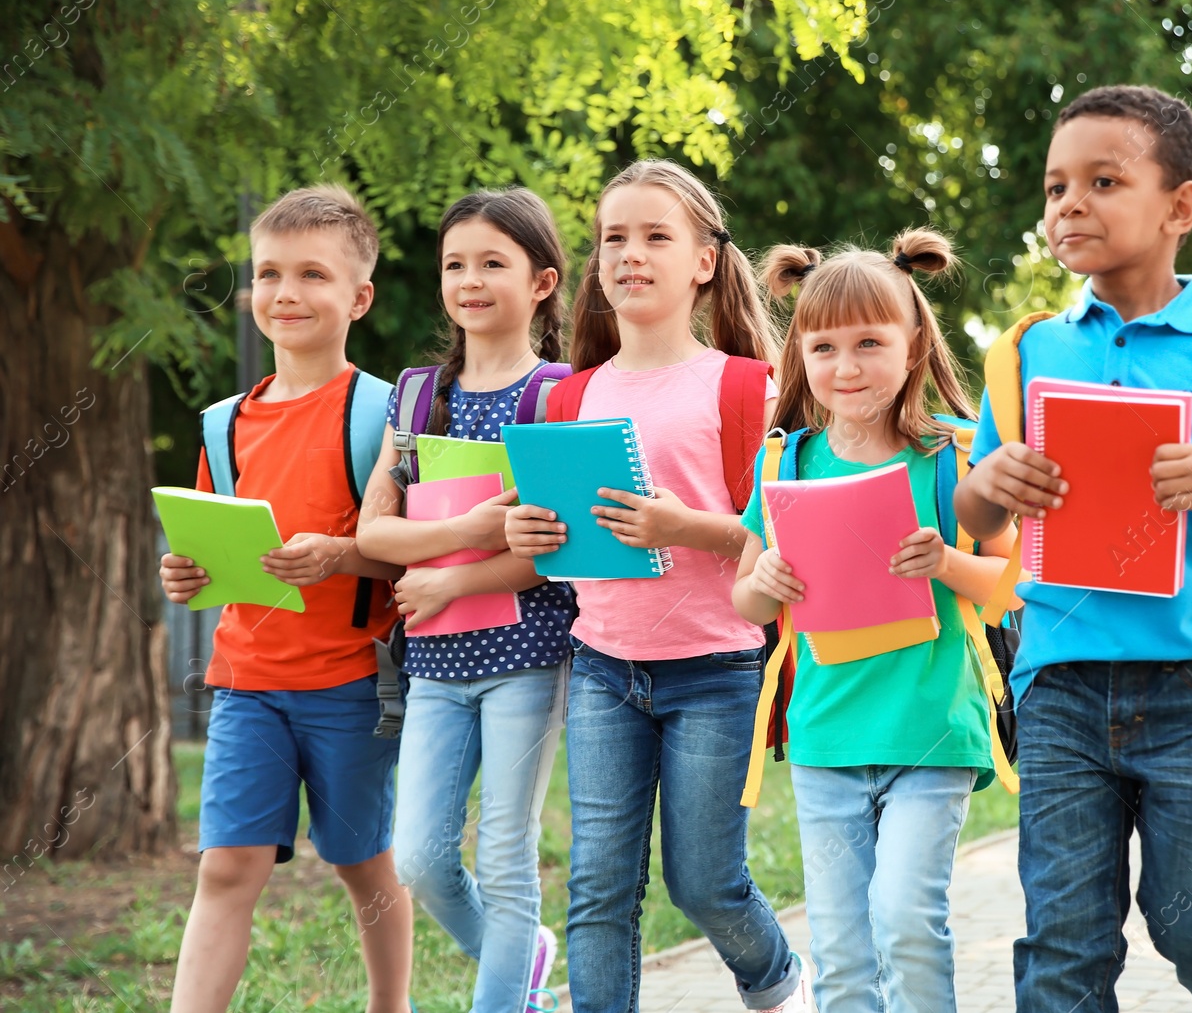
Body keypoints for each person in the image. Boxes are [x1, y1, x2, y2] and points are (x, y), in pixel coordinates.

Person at [954, 85, 1192, 1012]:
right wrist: (992, 483)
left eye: (1101, 181)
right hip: (1060, 685)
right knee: (1064, 944)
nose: (1067, 206)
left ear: (1181, 207)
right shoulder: (1028, 354)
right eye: (1054, 188)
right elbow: (976, 517)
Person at [504, 160, 808, 1013]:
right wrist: (535, 536)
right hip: (604, 665)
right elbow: (558, 552)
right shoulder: (569, 397)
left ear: (705, 261)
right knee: (599, 889)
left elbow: (780, 531)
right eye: (614, 238)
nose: (629, 254)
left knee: (706, 881)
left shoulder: (748, 385)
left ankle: (777, 978)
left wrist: (689, 527)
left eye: (654, 237)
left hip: (716, 666)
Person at [731, 229, 1016, 1013]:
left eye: (869, 342)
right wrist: (765, 577)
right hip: (826, 738)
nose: (846, 366)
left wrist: (948, 564)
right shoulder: (783, 461)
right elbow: (746, 602)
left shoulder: (955, 456)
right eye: (823, 347)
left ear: (915, 342)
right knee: (844, 950)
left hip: (931, 732)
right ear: (799, 354)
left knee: (905, 921)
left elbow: (1015, 586)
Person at [160, 185, 413, 1013]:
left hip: (351, 681)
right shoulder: (220, 425)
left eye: (313, 274)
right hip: (247, 681)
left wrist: (341, 555)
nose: (287, 293)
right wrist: (187, 574)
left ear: (359, 297)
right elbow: (214, 545)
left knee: (361, 859)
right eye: (270, 273)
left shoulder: (385, 413)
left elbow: (416, 551)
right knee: (226, 862)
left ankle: (390, 1003)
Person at [356, 188, 577, 1013]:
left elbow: (550, 551)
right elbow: (373, 529)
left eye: (494, 263)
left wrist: (451, 571)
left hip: (527, 656)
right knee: (418, 856)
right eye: (456, 264)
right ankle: (523, 964)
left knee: (509, 853)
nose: (470, 279)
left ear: (543, 281)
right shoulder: (413, 395)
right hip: (437, 661)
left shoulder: (558, 394)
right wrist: (476, 528)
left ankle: (506, 996)